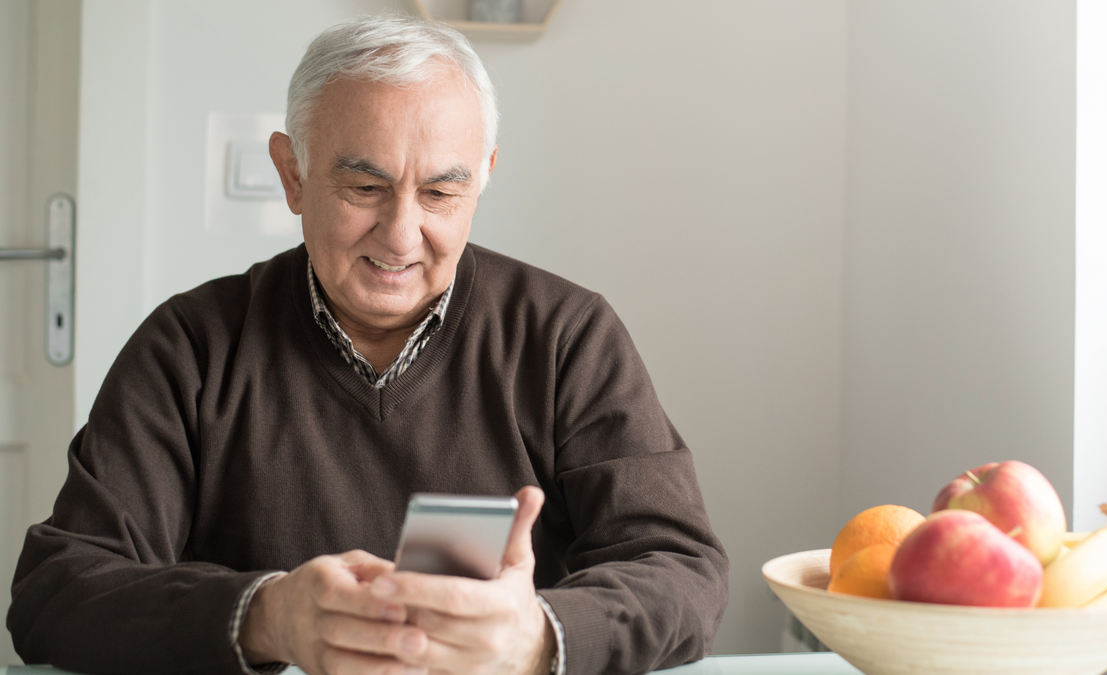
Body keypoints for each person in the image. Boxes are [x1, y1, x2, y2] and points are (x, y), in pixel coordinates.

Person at [7, 15, 728, 675]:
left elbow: (681, 567)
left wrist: (539, 634)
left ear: (483, 178)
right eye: (364, 187)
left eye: (442, 194)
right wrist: (267, 614)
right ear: (293, 174)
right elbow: (54, 587)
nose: (401, 235)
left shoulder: (568, 335)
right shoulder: (192, 347)